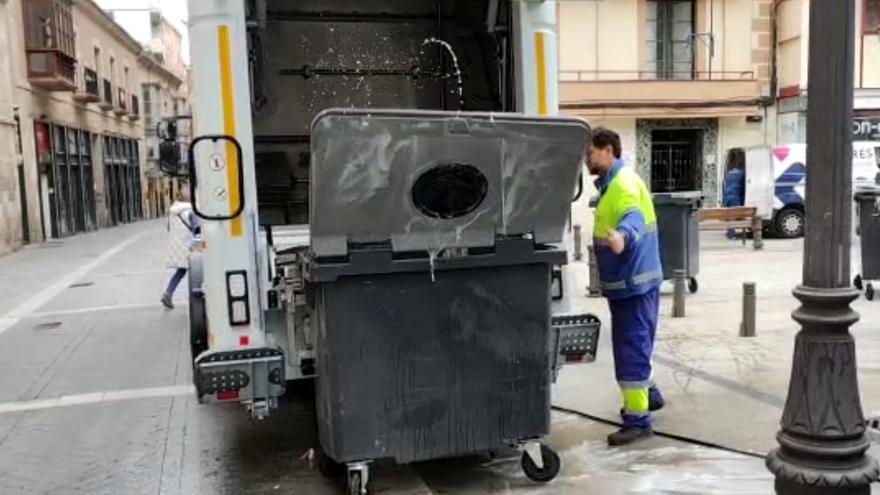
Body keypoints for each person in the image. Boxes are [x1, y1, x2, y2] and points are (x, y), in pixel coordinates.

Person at [588, 128, 665, 446]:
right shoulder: (613, 184)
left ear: (608, 150)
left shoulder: (623, 184)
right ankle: (651, 394)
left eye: (590, 153)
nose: (586, 160)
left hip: (633, 286)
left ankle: (637, 419)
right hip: (633, 284)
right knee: (639, 342)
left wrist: (622, 237)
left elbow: (632, 217)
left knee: (630, 348)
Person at [161, 189, 198, 309]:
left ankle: (168, 294)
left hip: (178, 246)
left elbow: (168, 228)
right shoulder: (190, 211)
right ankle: (200, 298)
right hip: (190, 246)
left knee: (181, 271)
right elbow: (196, 230)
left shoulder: (172, 211)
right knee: (199, 270)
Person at [722, 164, 746, 239]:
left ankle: (730, 232)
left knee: (729, 216)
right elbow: (743, 186)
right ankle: (732, 234)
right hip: (735, 198)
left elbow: (724, 185)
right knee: (734, 216)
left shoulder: (728, 174)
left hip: (727, 198)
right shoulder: (742, 174)